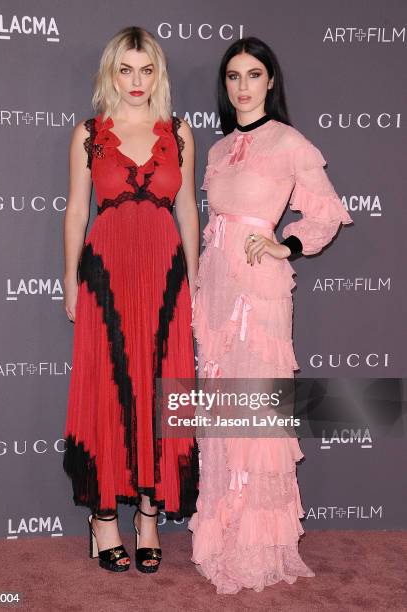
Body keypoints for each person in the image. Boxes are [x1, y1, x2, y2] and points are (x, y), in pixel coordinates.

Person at [188, 37, 353, 594]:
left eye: (253, 75)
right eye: (233, 76)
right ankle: (223, 536)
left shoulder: (290, 143)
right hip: (216, 287)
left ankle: (256, 548)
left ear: (270, 82)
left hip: (259, 289)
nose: (242, 86)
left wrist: (289, 244)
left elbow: (326, 211)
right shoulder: (215, 150)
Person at [62, 26, 199, 574]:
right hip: (106, 277)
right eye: (126, 69)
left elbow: (188, 210)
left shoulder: (180, 132)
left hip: (166, 276)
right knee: (108, 388)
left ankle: (148, 517)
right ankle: (102, 521)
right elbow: (76, 211)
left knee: (158, 390)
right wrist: (69, 281)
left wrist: (198, 278)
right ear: (111, 73)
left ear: (158, 74)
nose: (136, 81)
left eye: (146, 70)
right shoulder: (90, 134)